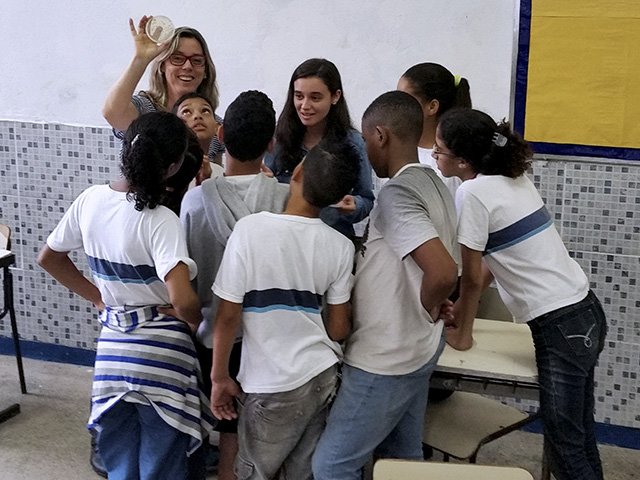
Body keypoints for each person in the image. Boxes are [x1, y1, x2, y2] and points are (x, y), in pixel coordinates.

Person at [37, 111, 215, 480]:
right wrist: (197, 320)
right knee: (162, 461)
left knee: (119, 458)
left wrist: (99, 297)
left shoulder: (90, 200)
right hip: (163, 361)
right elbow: (182, 299)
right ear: (174, 166)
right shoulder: (160, 220)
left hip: (112, 358)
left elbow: (49, 257)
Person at [435, 108, 607, 480]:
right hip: (586, 312)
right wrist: (463, 310)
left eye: (439, 151)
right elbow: (488, 270)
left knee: (565, 449)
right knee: (578, 438)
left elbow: (471, 277)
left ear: (462, 161)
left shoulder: (473, 192)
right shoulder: (511, 177)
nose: (435, 157)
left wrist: (461, 335)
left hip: (560, 327)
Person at [312, 91, 459, 480]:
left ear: (380, 136)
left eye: (365, 139)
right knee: (401, 459)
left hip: (387, 356)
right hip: (417, 346)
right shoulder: (431, 180)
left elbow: (442, 272)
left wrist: (427, 306)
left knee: (331, 466)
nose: (366, 150)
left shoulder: (396, 193)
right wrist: (429, 308)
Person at [211, 139, 360, 480]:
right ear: (338, 196)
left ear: (298, 172)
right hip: (321, 375)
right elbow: (338, 329)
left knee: (255, 471)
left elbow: (227, 315)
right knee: (302, 472)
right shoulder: (340, 246)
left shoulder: (250, 230)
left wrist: (220, 376)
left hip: (271, 383)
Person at [180, 90, 289, 480]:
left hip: (211, 336)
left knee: (222, 423)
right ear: (272, 142)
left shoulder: (193, 202)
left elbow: (186, 274)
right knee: (252, 434)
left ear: (220, 134)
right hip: (266, 335)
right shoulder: (285, 199)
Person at [263, 57, 374, 239]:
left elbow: (367, 199)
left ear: (335, 96)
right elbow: (269, 188)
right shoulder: (280, 137)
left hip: (333, 240)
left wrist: (354, 204)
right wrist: (266, 181)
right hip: (285, 237)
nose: (305, 106)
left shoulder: (354, 144)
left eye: (315, 98)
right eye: (299, 96)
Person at [103, 16, 224, 162]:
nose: (187, 66)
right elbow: (112, 113)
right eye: (177, 58)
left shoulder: (213, 124)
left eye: (197, 60)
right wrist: (140, 59)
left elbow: (217, 178)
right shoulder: (145, 110)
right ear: (162, 66)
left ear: (206, 71)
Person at [397, 62, 471, 199]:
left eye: (405, 99)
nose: (396, 106)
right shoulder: (397, 148)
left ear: (432, 106)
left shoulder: (452, 160)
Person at [173, 92, 225, 181]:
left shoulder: (221, 174)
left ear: (217, 127)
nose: (197, 116)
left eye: (205, 111)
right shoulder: (170, 169)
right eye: (186, 112)